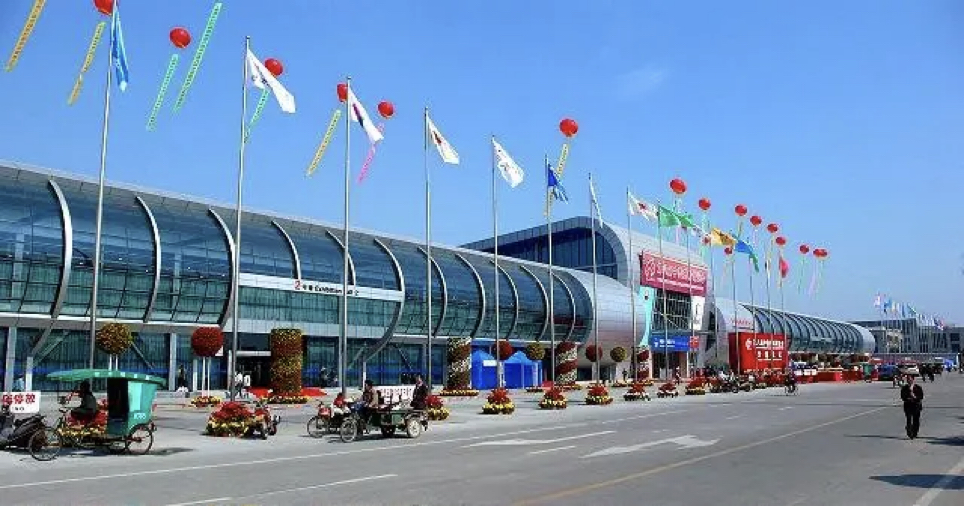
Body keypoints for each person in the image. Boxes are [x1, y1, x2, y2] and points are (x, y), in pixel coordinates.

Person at [900, 375, 924, 439]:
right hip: (908, 406)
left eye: (910, 379)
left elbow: (921, 396)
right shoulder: (904, 388)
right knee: (909, 419)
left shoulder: (918, 387)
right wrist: (908, 398)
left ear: (913, 379)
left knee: (916, 420)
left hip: (916, 406)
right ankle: (909, 432)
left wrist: (914, 397)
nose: (909, 381)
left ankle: (915, 432)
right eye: (908, 379)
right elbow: (903, 397)